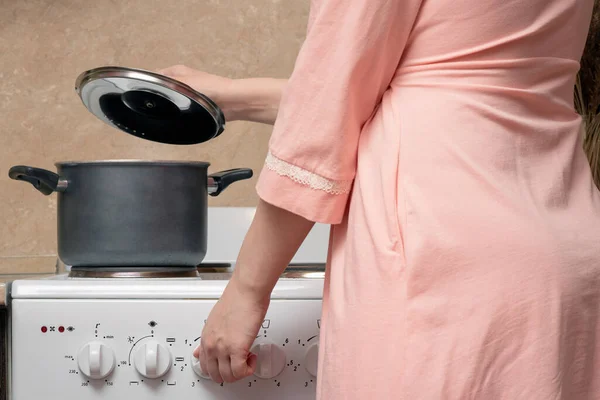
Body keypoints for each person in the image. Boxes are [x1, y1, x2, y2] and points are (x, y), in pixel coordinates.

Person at [160, 0, 600, 397]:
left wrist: (247, 290)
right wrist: (230, 95)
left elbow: (330, 106)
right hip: (567, 241)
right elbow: (454, 74)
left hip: (438, 258)